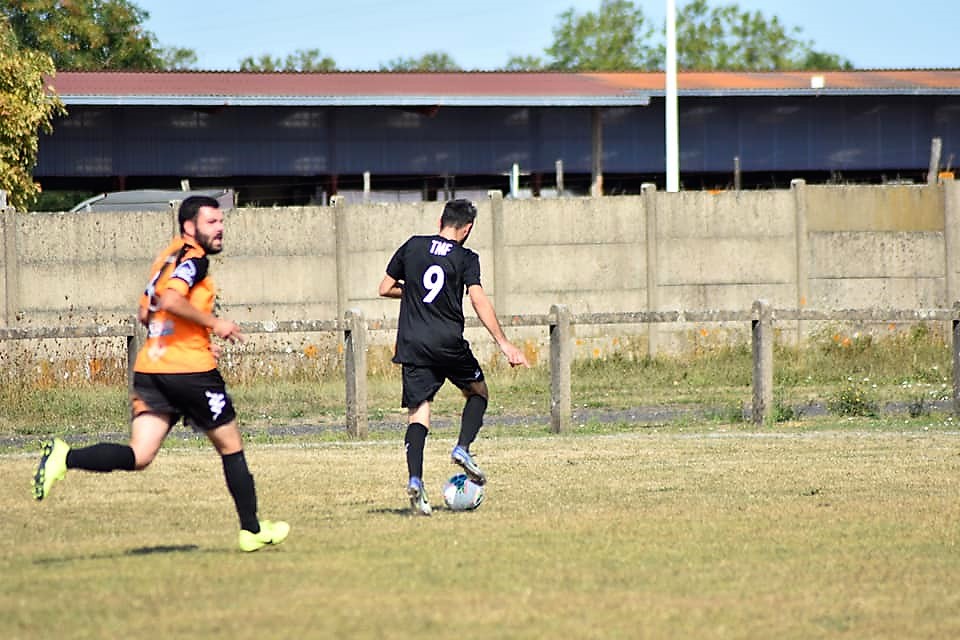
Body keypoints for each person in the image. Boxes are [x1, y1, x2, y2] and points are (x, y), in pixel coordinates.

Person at [32, 195, 289, 552]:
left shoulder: (165, 258)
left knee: (139, 455)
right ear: (189, 227)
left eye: (220, 222)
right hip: (190, 372)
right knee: (231, 446)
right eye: (211, 223)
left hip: (151, 367)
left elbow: (147, 313)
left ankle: (64, 456)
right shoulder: (193, 260)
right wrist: (216, 324)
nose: (220, 228)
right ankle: (252, 529)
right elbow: (170, 300)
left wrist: (194, 335)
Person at [378, 198, 529, 515]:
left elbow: (384, 287)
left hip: (412, 343)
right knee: (478, 392)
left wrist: (413, 291)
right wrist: (504, 343)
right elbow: (478, 300)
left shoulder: (413, 246)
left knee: (419, 413)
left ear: (440, 221)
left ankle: (416, 481)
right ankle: (462, 447)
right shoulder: (466, 257)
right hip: (447, 342)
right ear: (468, 228)